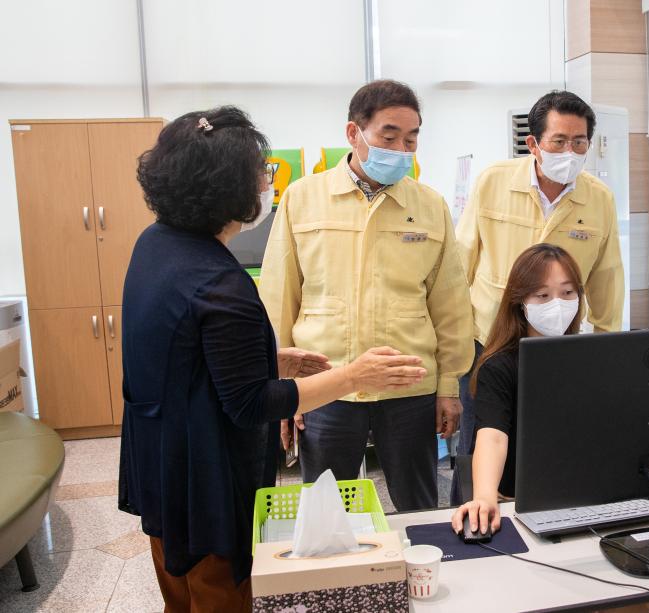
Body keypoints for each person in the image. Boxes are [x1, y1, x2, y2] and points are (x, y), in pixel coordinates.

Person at [120, 106, 426, 611]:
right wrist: (355, 375)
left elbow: (181, 352)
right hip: (205, 477)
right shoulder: (223, 283)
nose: (267, 182)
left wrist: (266, 356)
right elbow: (251, 404)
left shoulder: (156, 245)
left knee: (179, 590)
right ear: (228, 188)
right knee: (218, 590)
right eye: (261, 172)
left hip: (159, 460)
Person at [259, 80, 474, 512]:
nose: (400, 148)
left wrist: (449, 384)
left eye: (411, 139)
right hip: (325, 381)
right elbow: (279, 296)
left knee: (418, 505)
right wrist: (283, 390)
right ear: (354, 134)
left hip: (407, 381)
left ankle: (422, 576)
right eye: (388, 136)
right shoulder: (303, 198)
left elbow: (450, 304)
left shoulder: (430, 205)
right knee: (326, 506)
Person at [453, 90, 625, 473]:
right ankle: (471, 510)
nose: (570, 152)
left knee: (550, 437)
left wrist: (603, 347)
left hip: (557, 343)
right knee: (480, 438)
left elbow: (607, 275)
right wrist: (454, 341)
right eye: (559, 141)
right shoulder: (494, 181)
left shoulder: (599, 199)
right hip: (488, 339)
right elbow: (460, 261)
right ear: (533, 143)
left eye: (579, 142)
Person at [451, 244, 584, 535]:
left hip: (573, 499)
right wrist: (485, 496)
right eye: (542, 295)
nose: (557, 304)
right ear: (519, 301)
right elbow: (493, 437)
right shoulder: (499, 366)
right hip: (516, 501)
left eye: (567, 292)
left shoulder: (587, 357)